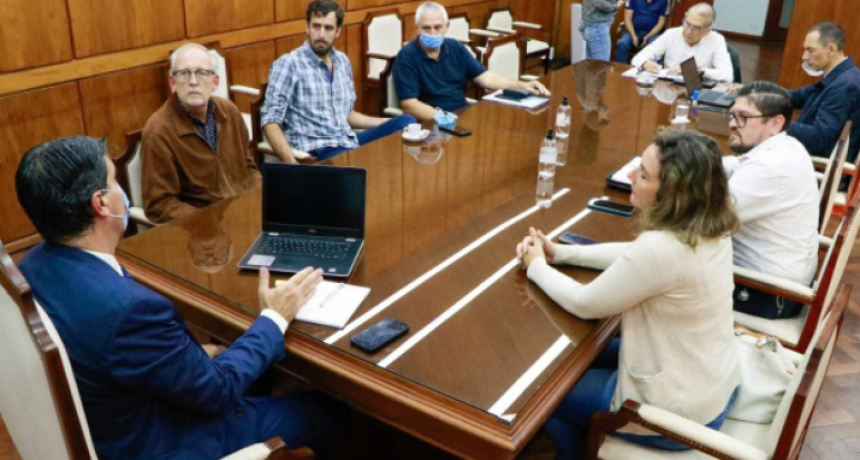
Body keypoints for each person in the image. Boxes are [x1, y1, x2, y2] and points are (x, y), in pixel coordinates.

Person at [15, 136, 343, 460]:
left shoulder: (33, 265)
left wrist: (194, 355)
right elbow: (219, 391)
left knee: (254, 367)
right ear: (100, 204)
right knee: (326, 411)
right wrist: (275, 316)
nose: (122, 193)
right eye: (115, 182)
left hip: (113, 418)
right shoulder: (132, 311)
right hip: (166, 441)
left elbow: (115, 353)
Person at [517, 129, 740, 460]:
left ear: (672, 196)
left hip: (675, 417)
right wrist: (559, 254)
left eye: (644, 175)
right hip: (713, 385)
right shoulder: (709, 225)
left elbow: (585, 304)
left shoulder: (663, 249)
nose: (631, 175)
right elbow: (635, 255)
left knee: (545, 398)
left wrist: (536, 266)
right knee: (578, 360)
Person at [262, 0, 416, 163]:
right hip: (320, 150)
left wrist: (386, 123)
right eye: (316, 26)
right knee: (366, 160)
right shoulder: (289, 64)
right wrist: (293, 165)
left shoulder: (342, 61)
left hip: (349, 140)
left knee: (407, 123)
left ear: (337, 31)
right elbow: (270, 121)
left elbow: (348, 115)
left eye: (328, 28)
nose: (321, 34)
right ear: (307, 27)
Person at [723, 82, 819, 319]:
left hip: (766, 293)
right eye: (732, 114)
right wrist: (688, 160)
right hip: (780, 281)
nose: (733, 124)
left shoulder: (769, 167)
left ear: (775, 123)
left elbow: (707, 221)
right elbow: (736, 165)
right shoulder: (786, 145)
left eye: (743, 117)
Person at [141, 43, 260, 224]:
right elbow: (159, 204)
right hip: (202, 231)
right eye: (184, 73)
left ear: (215, 82)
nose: (194, 81)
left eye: (202, 73)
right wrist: (210, 219)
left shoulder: (229, 111)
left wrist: (263, 195)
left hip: (244, 214)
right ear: (172, 83)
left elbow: (247, 166)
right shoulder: (159, 131)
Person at [393, 1, 549, 122]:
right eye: (426, 28)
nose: (433, 33)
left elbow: (486, 77)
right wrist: (442, 118)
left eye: (438, 27)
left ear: (447, 27)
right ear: (417, 28)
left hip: (462, 113)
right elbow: (409, 104)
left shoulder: (455, 47)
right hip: (429, 123)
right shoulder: (407, 56)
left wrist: (523, 85)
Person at [788, 22, 860, 163]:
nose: (805, 57)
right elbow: (797, 96)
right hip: (805, 157)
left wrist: (774, 124)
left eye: (810, 50)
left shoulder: (845, 85)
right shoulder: (838, 76)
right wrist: (756, 91)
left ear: (831, 49)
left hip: (817, 167)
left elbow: (819, 138)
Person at [631, 3, 733, 83]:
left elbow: (727, 76)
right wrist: (646, 63)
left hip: (697, 94)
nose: (688, 31)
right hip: (669, 89)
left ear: (708, 29)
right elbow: (637, 58)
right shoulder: (671, 34)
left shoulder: (716, 40)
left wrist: (697, 70)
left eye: (696, 28)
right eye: (687, 23)